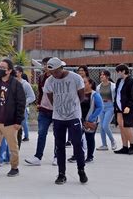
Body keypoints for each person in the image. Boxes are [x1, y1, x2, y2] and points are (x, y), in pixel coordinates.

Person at [44, 57, 88, 185]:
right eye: (51, 73)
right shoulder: (49, 81)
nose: (54, 75)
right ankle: (61, 173)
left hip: (73, 116)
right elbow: (51, 98)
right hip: (58, 118)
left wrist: (72, 108)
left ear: (61, 68)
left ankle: (81, 169)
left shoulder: (75, 78)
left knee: (77, 144)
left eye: (56, 72)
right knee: (59, 146)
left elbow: (81, 96)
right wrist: (59, 109)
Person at [0, 59, 25, 178]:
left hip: (10, 122)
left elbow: (21, 103)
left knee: (12, 147)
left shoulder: (16, 84)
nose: (0, 69)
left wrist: (18, 121)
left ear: (9, 71)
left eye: (3, 67)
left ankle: (14, 167)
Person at [25, 57, 57, 166]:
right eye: (44, 65)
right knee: (41, 133)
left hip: (56, 111)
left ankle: (57, 156)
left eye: (47, 65)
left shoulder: (57, 78)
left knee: (58, 134)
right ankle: (38, 157)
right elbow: (40, 92)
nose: (45, 67)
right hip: (44, 110)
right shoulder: (42, 77)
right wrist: (39, 104)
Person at [113, 64, 133, 155]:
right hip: (119, 107)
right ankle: (124, 147)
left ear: (124, 71)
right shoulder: (119, 81)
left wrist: (128, 106)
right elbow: (118, 94)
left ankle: (132, 145)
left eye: (118, 71)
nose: (117, 73)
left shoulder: (131, 81)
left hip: (128, 108)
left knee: (127, 126)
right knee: (121, 126)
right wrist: (116, 105)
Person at [75, 77, 102, 163]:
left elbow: (100, 107)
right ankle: (78, 155)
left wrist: (91, 118)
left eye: (85, 82)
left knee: (89, 138)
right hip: (79, 119)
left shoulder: (95, 95)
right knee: (76, 138)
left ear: (90, 84)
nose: (83, 84)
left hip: (90, 121)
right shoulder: (79, 93)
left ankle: (90, 157)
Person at [96, 70, 117, 151]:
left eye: (103, 75)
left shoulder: (113, 86)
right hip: (101, 107)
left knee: (105, 125)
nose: (101, 76)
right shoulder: (98, 87)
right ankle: (104, 145)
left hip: (110, 107)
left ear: (107, 76)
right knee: (101, 126)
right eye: (100, 75)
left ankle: (113, 141)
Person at [15, 66, 36, 143]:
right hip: (11, 109)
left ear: (20, 73)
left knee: (23, 122)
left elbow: (32, 97)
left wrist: (23, 102)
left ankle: (26, 136)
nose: (14, 73)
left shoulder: (25, 84)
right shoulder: (10, 82)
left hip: (21, 109)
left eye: (16, 71)